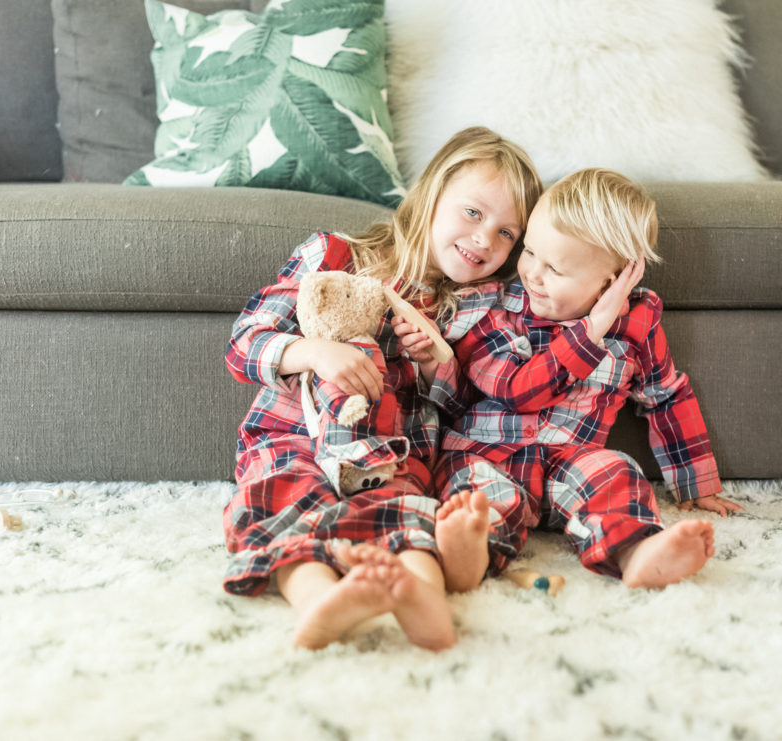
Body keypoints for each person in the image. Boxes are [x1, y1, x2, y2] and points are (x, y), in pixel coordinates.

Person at [221, 127, 543, 650]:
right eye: (473, 213)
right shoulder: (335, 255)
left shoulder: (483, 306)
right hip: (294, 435)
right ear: (432, 195)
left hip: (393, 452)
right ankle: (319, 602)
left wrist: (442, 367)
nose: (486, 240)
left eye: (508, 233)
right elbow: (244, 343)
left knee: (408, 513)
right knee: (282, 497)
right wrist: (313, 351)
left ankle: (421, 599)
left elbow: (479, 415)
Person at [418, 168, 743, 593]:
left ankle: (636, 552)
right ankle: (471, 551)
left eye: (554, 268)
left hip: (567, 464)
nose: (532, 273)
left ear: (610, 283)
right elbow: (517, 391)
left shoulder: (637, 326)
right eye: (530, 251)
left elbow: (665, 397)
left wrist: (696, 483)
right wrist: (589, 333)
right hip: (485, 452)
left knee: (616, 472)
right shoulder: (493, 307)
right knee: (478, 496)